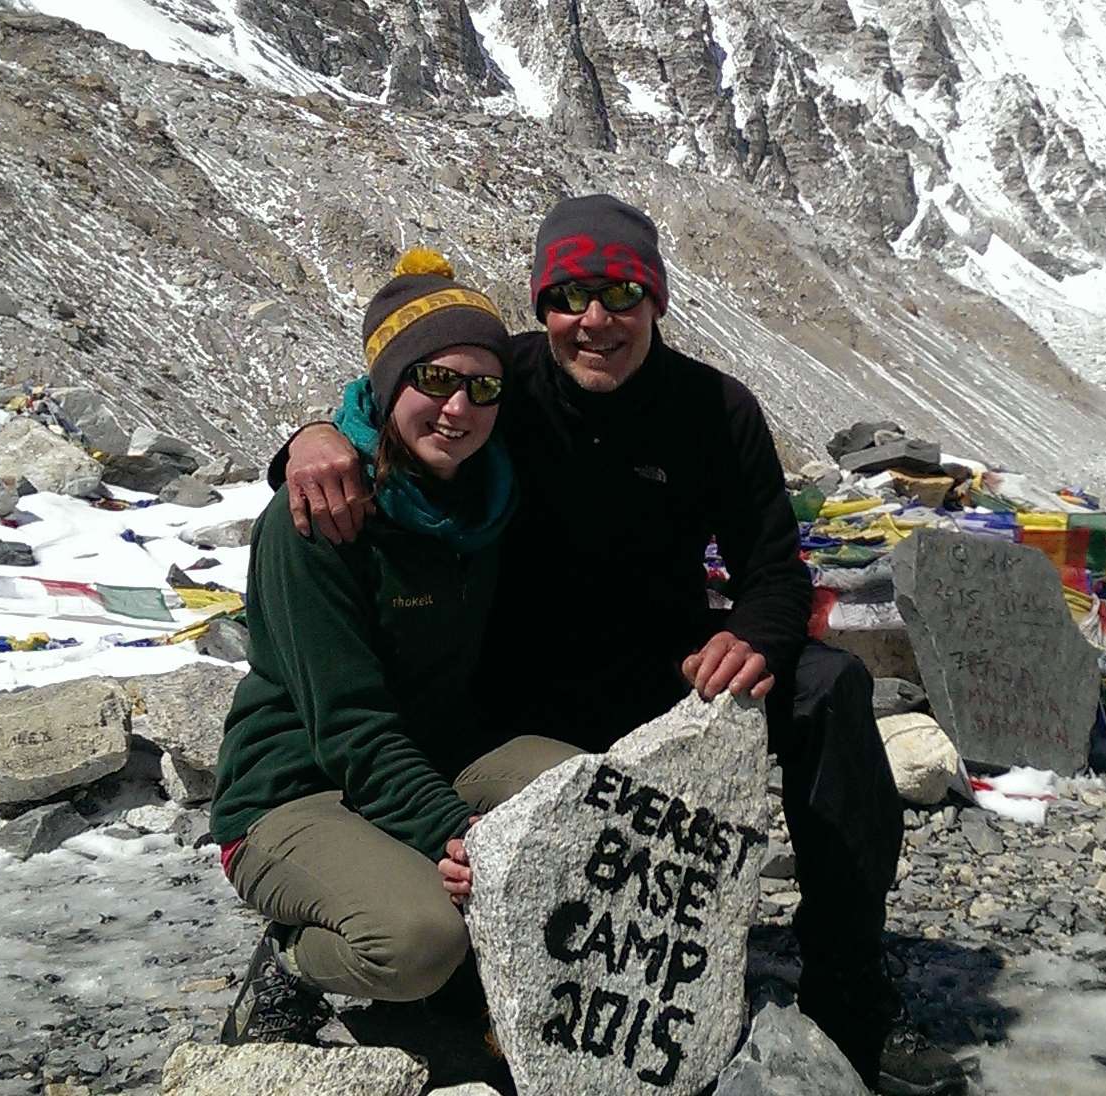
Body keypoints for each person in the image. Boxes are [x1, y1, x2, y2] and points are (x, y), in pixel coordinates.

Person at [276, 196, 966, 1093]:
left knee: (824, 688)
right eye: (567, 295)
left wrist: (751, 640)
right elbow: (392, 409)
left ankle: (850, 987)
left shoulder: (715, 409)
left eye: (620, 292)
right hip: (508, 683)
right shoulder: (498, 385)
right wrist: (309, 438)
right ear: (541, 306)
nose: (593, 319)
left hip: (663, 664)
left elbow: (773, 571)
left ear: (657, 301)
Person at [210, 251, 582, 1046]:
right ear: (387, 386)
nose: (458, 408)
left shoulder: (485, 493)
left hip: (436, 747)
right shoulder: (319, 517)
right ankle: (291, 962)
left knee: (588, 802)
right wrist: (456, 833)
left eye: (483, 387)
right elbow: (348, 726)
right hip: (296, 784)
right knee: (422, 941)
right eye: (434, 380)